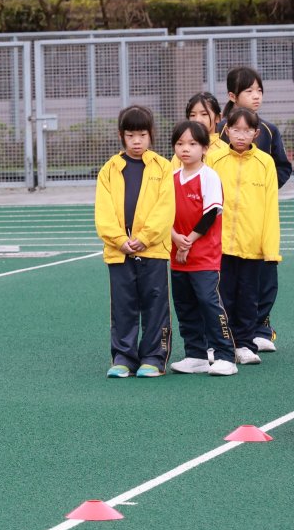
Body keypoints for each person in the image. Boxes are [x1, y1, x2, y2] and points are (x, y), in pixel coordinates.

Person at [95, 105, 175, 378]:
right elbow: (103, 212)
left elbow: (166, 208)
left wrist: (145, 238)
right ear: (122, 136)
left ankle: (154, 357)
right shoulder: (109, 169)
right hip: (120, 252)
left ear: (151, 134)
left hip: (153, 250)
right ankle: (124, 358)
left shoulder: (163, 167)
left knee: (155, 304)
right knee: (123, 305)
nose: (137, 141)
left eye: (142, 135)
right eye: (130, 136)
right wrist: (119, 240)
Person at [209, 106, 281, 364]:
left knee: (249, 298)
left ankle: (245, 344)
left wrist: (270, 249)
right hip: (220, 245)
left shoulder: (265, 163)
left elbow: (271, 207)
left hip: (252, 246)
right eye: (236, 130)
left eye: (247, 130)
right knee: (222, 297)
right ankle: (219, 344)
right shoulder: (214, 160)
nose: (241, 135)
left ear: (256, 133)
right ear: (226, 131)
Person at [224, 68, 289, 352]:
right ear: (232, 96)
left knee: (263, 275)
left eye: (259, 90)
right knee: (229, 281)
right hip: (227, 223)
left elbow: (282, 167)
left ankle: (261, 328)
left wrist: (260, 191)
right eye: (249, 91)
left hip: (256, 217)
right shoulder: (220, 131)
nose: (256, 96)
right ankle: (225, 333)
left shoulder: (269, 130)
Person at [166, 120, 237, 376]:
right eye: (180, 143)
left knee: (208, 302)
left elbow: (210, 214)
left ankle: (226, 355)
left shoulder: (209, 176)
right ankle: (195, 354)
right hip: (178, 255)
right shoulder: (171, 178)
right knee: (184, 305)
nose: (185, 149)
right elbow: (161, 214)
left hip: (204, 256)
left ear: (205, 148)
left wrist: (188, 241)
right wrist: (176, 239)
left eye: (193, 144)